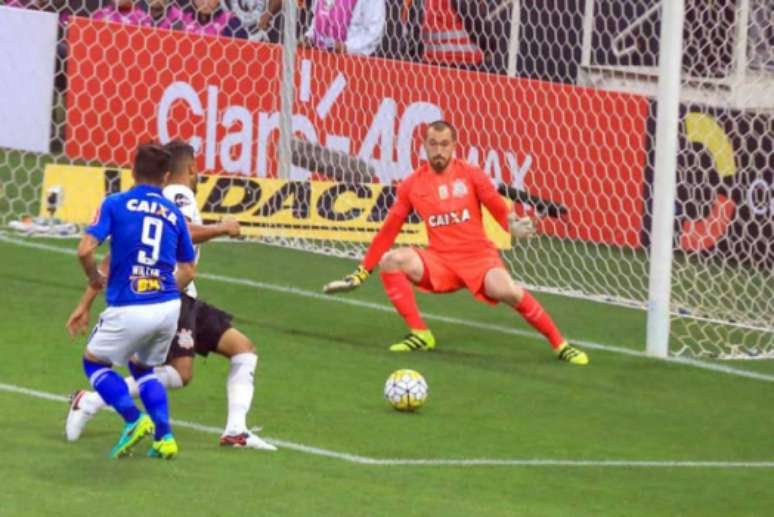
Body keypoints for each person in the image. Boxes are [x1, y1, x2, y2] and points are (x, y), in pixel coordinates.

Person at [65, 140, 276, 450]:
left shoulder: (124, 203)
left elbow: (112, 258)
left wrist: (86, 299)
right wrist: (222, 227)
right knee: (173, 371)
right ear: (187, 169)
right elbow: (185, 235)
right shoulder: (178, 197)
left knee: (241, 349)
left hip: (179, 295)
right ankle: (96, 401)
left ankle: (234, 430)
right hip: (170, 295)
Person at [323, 121, 589, 365]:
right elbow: (388, 231)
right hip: (440, 261)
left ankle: (560, 344)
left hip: (479, 258)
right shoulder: (412, 184)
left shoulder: (471, 174)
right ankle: (420, 334)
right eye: (433, 144)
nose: (439, 150)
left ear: (454, 146)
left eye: (444, 144)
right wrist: (360, 274)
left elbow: (496, 206)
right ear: (424, 146)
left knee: (507, 290)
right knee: (392, 260)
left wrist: (511, 225)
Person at [76, 143, 197, 459]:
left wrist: (93, 278)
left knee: (93, 362)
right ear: (167, 177)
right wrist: (163, 288)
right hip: (169, 306)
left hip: (130, 304)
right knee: (144, 368)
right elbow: (189, 268)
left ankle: (133, 419)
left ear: (132, 171)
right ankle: (165, 437)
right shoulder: (174, 213)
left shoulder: (115, 203)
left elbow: (85, 249)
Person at [301, 0, 385, 56]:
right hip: (319, 59)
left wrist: (347, 47)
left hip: (353, 64)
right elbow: (319, 17)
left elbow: (373, 32)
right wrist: (310, 37)